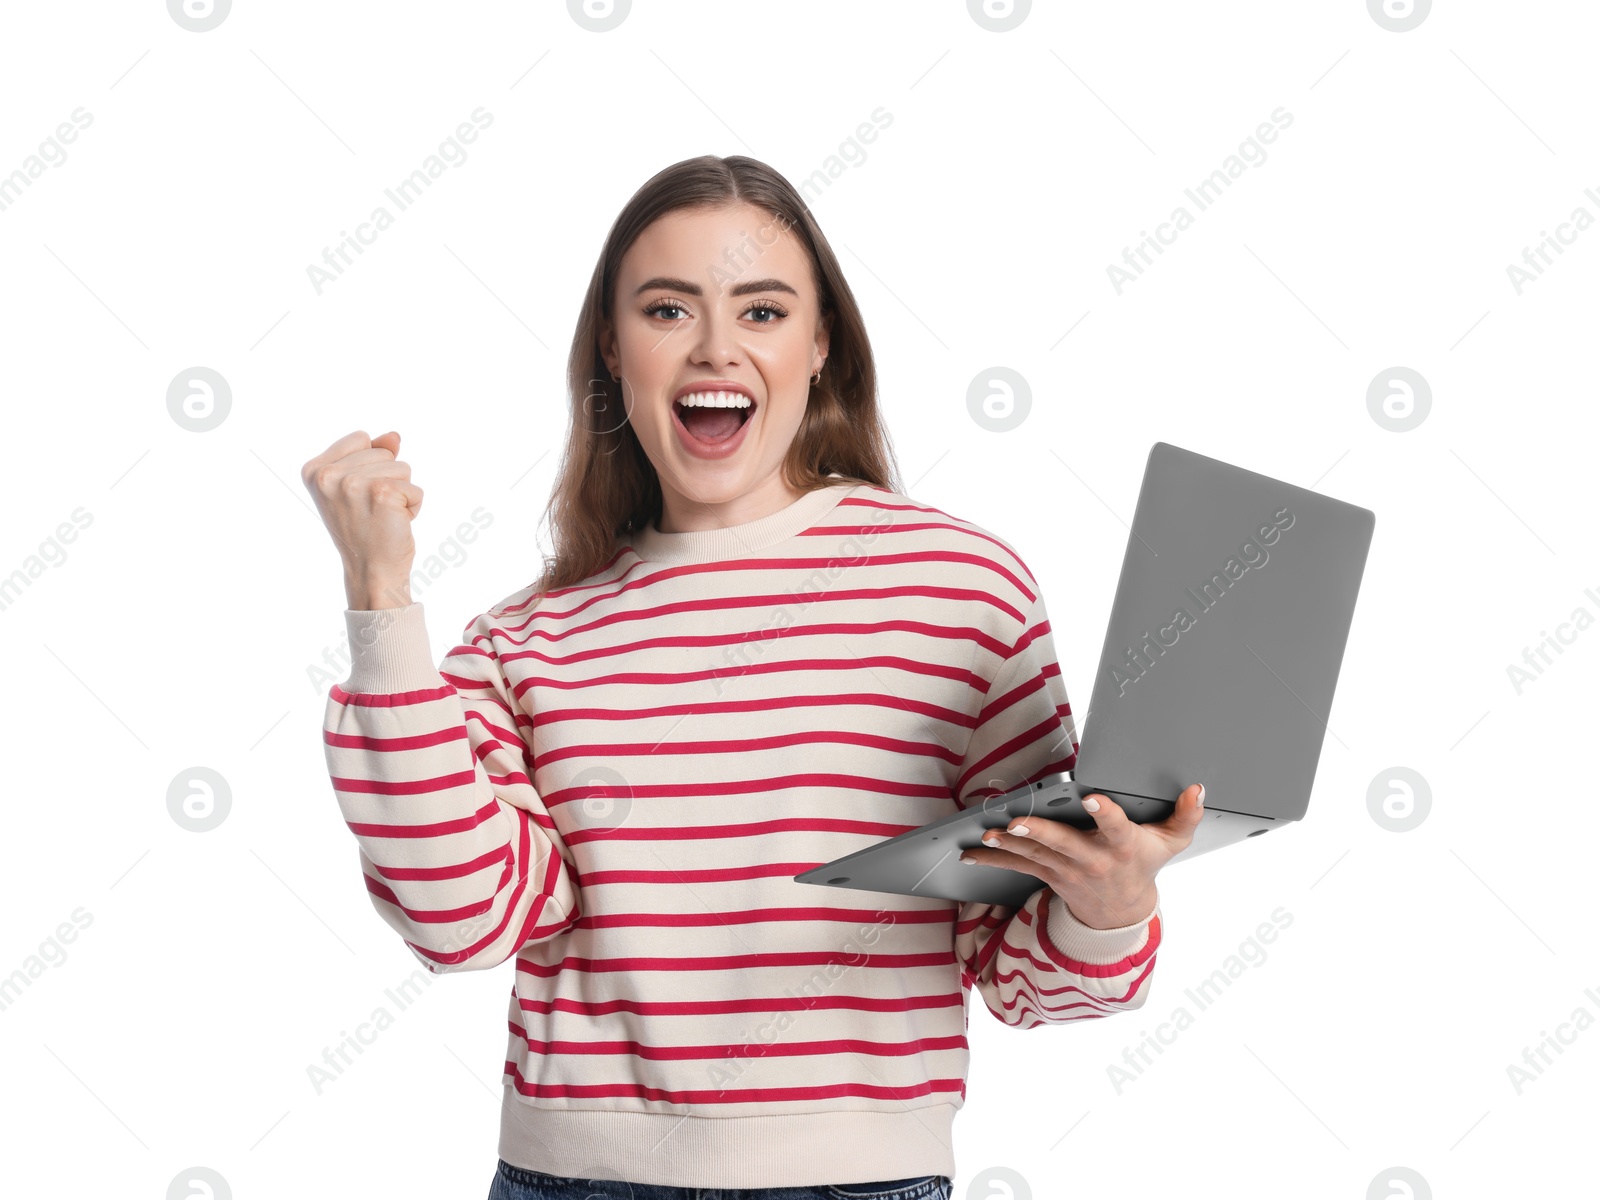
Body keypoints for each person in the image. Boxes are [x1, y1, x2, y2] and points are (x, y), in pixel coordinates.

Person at [302, 154, 1205, 1199]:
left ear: (821, 345)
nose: (716, 347)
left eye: (763, 311)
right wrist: (382, 597)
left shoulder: (961, 590)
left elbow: (1027, 980)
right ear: (612, 345)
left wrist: (1110, 903)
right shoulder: (527, 637)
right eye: (668, 309)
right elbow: (460, 921)